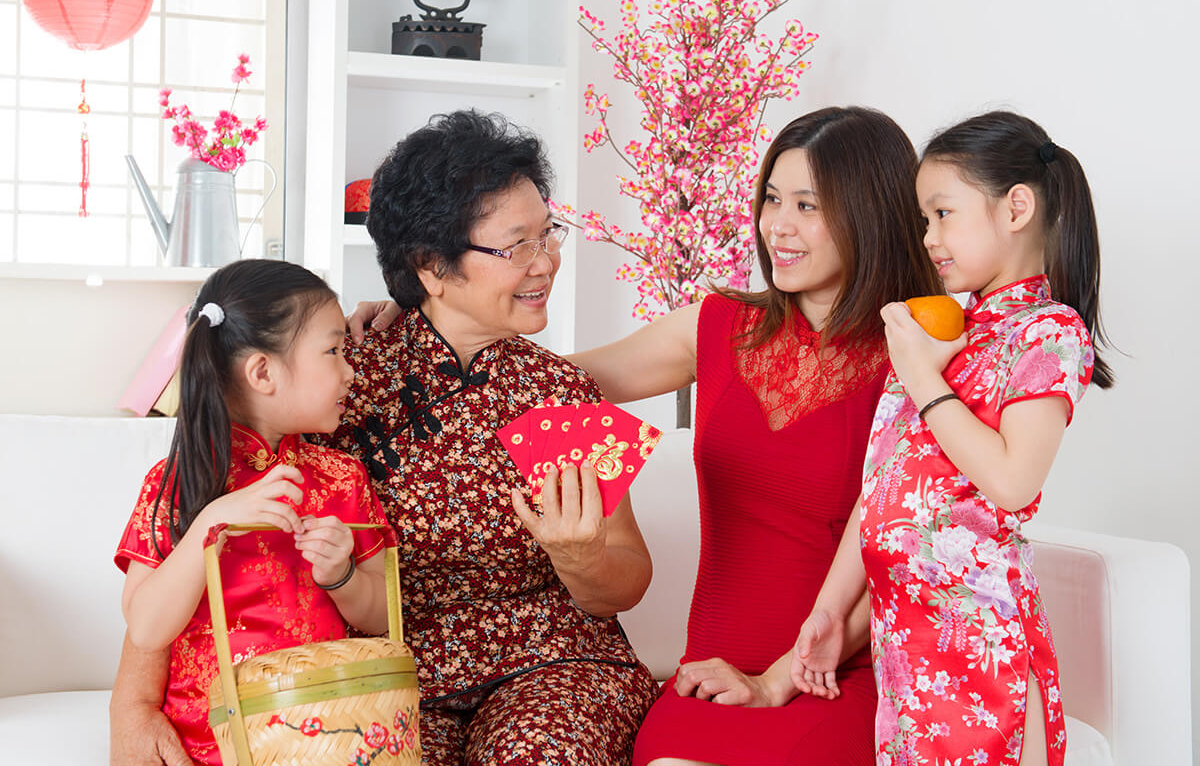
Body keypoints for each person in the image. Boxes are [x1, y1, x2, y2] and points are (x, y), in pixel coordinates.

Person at [347, 105, 943, 764]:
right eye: (773, 197)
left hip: (834, 664)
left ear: (871, 213)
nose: (779, 224)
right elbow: (523, 378)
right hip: (709, 671)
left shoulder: (916, 354)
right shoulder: (717, 325)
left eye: (808, 205)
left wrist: (778, 678)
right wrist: (420, 310)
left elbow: (907, 547)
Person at [109, 110, 658, 766]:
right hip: (380, 676)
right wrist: (133, 706)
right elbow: (198, 504)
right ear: (431, 265)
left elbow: (625, 581)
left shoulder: (558, 393)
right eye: (518, 245)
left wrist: (581, 555)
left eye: (550, 234)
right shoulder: (339, 379)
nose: (549, 261)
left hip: (550, 665)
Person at [790, 111, 1112, 766]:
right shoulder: (938, 329)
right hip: (904, 641)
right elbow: (883, 484)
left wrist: (920, 378)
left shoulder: (1046, 333)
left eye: (943, 214)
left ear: (1016, 206)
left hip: (978, 643)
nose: (929, 238)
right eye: (923, 220)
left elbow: (1013, 481)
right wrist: (829, 608)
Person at [113, 259, 392, 766]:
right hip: (207, 747)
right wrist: (210, 522)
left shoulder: (342, 477)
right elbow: (147, 628)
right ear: (262, 372)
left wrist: (343, 575)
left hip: (326, 738)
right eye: (333, 351)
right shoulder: (176, 482)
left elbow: (383, 614)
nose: (351, 370)